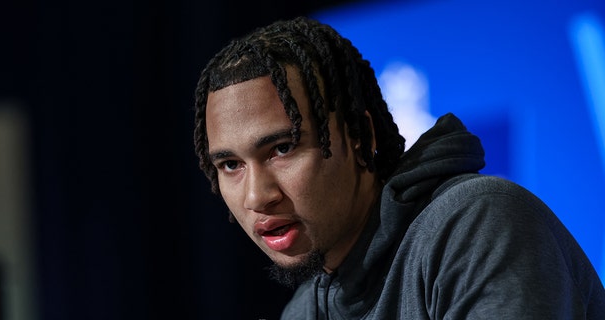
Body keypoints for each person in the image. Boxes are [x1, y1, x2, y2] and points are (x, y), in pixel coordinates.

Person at [192, 16, 605, 319]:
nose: (256, 196)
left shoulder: (479, 224)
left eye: (282, 148)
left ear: (361, 136)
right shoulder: (304, 311)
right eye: (230, 164)